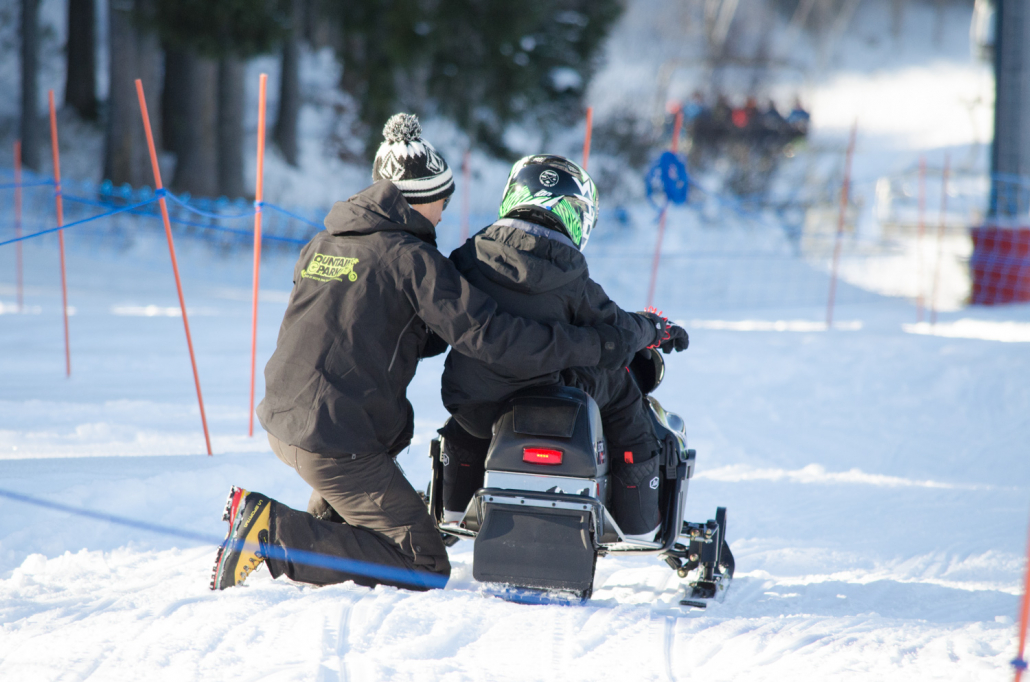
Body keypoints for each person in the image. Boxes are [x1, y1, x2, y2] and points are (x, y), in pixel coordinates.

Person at [210, 115, 658, 593]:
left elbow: (365, 328)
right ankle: (272, 532)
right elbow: (493, 337)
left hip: (288, 416)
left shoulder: (324, 244)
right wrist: (601, 344)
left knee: (365, 503)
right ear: (419, 200)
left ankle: (321, 531)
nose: (445, 213)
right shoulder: (411, 259)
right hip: (338, 440)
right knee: (423, 562)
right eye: (443, 200)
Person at [438, 154, 689, 540]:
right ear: (576, 212)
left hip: (471, 405)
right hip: (542, 399)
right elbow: (617, 330)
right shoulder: (569, 270)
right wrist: (655, 328)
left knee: (474, 388)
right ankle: (638, 522)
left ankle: (454, 506)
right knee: (622, 390)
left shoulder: (468, 255)